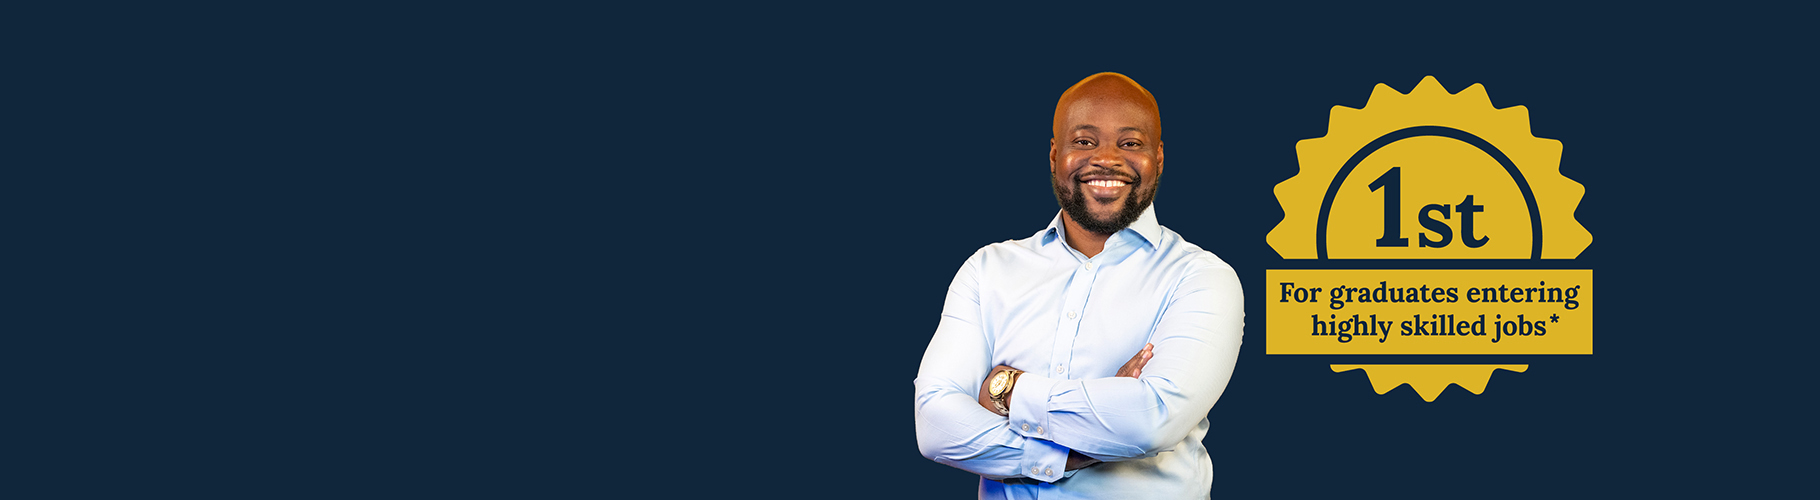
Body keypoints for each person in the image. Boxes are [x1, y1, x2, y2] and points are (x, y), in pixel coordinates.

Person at [913, 72, 1244, 499]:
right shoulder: (987, 269)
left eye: (1130, 143)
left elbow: (1150, 421)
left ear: (1158, 158)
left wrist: (1006, 390)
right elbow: (935, 426)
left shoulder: (1202, 279)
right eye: (1085, 141)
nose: (1107, 159)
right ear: (1055, 155)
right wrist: (1075, 452)